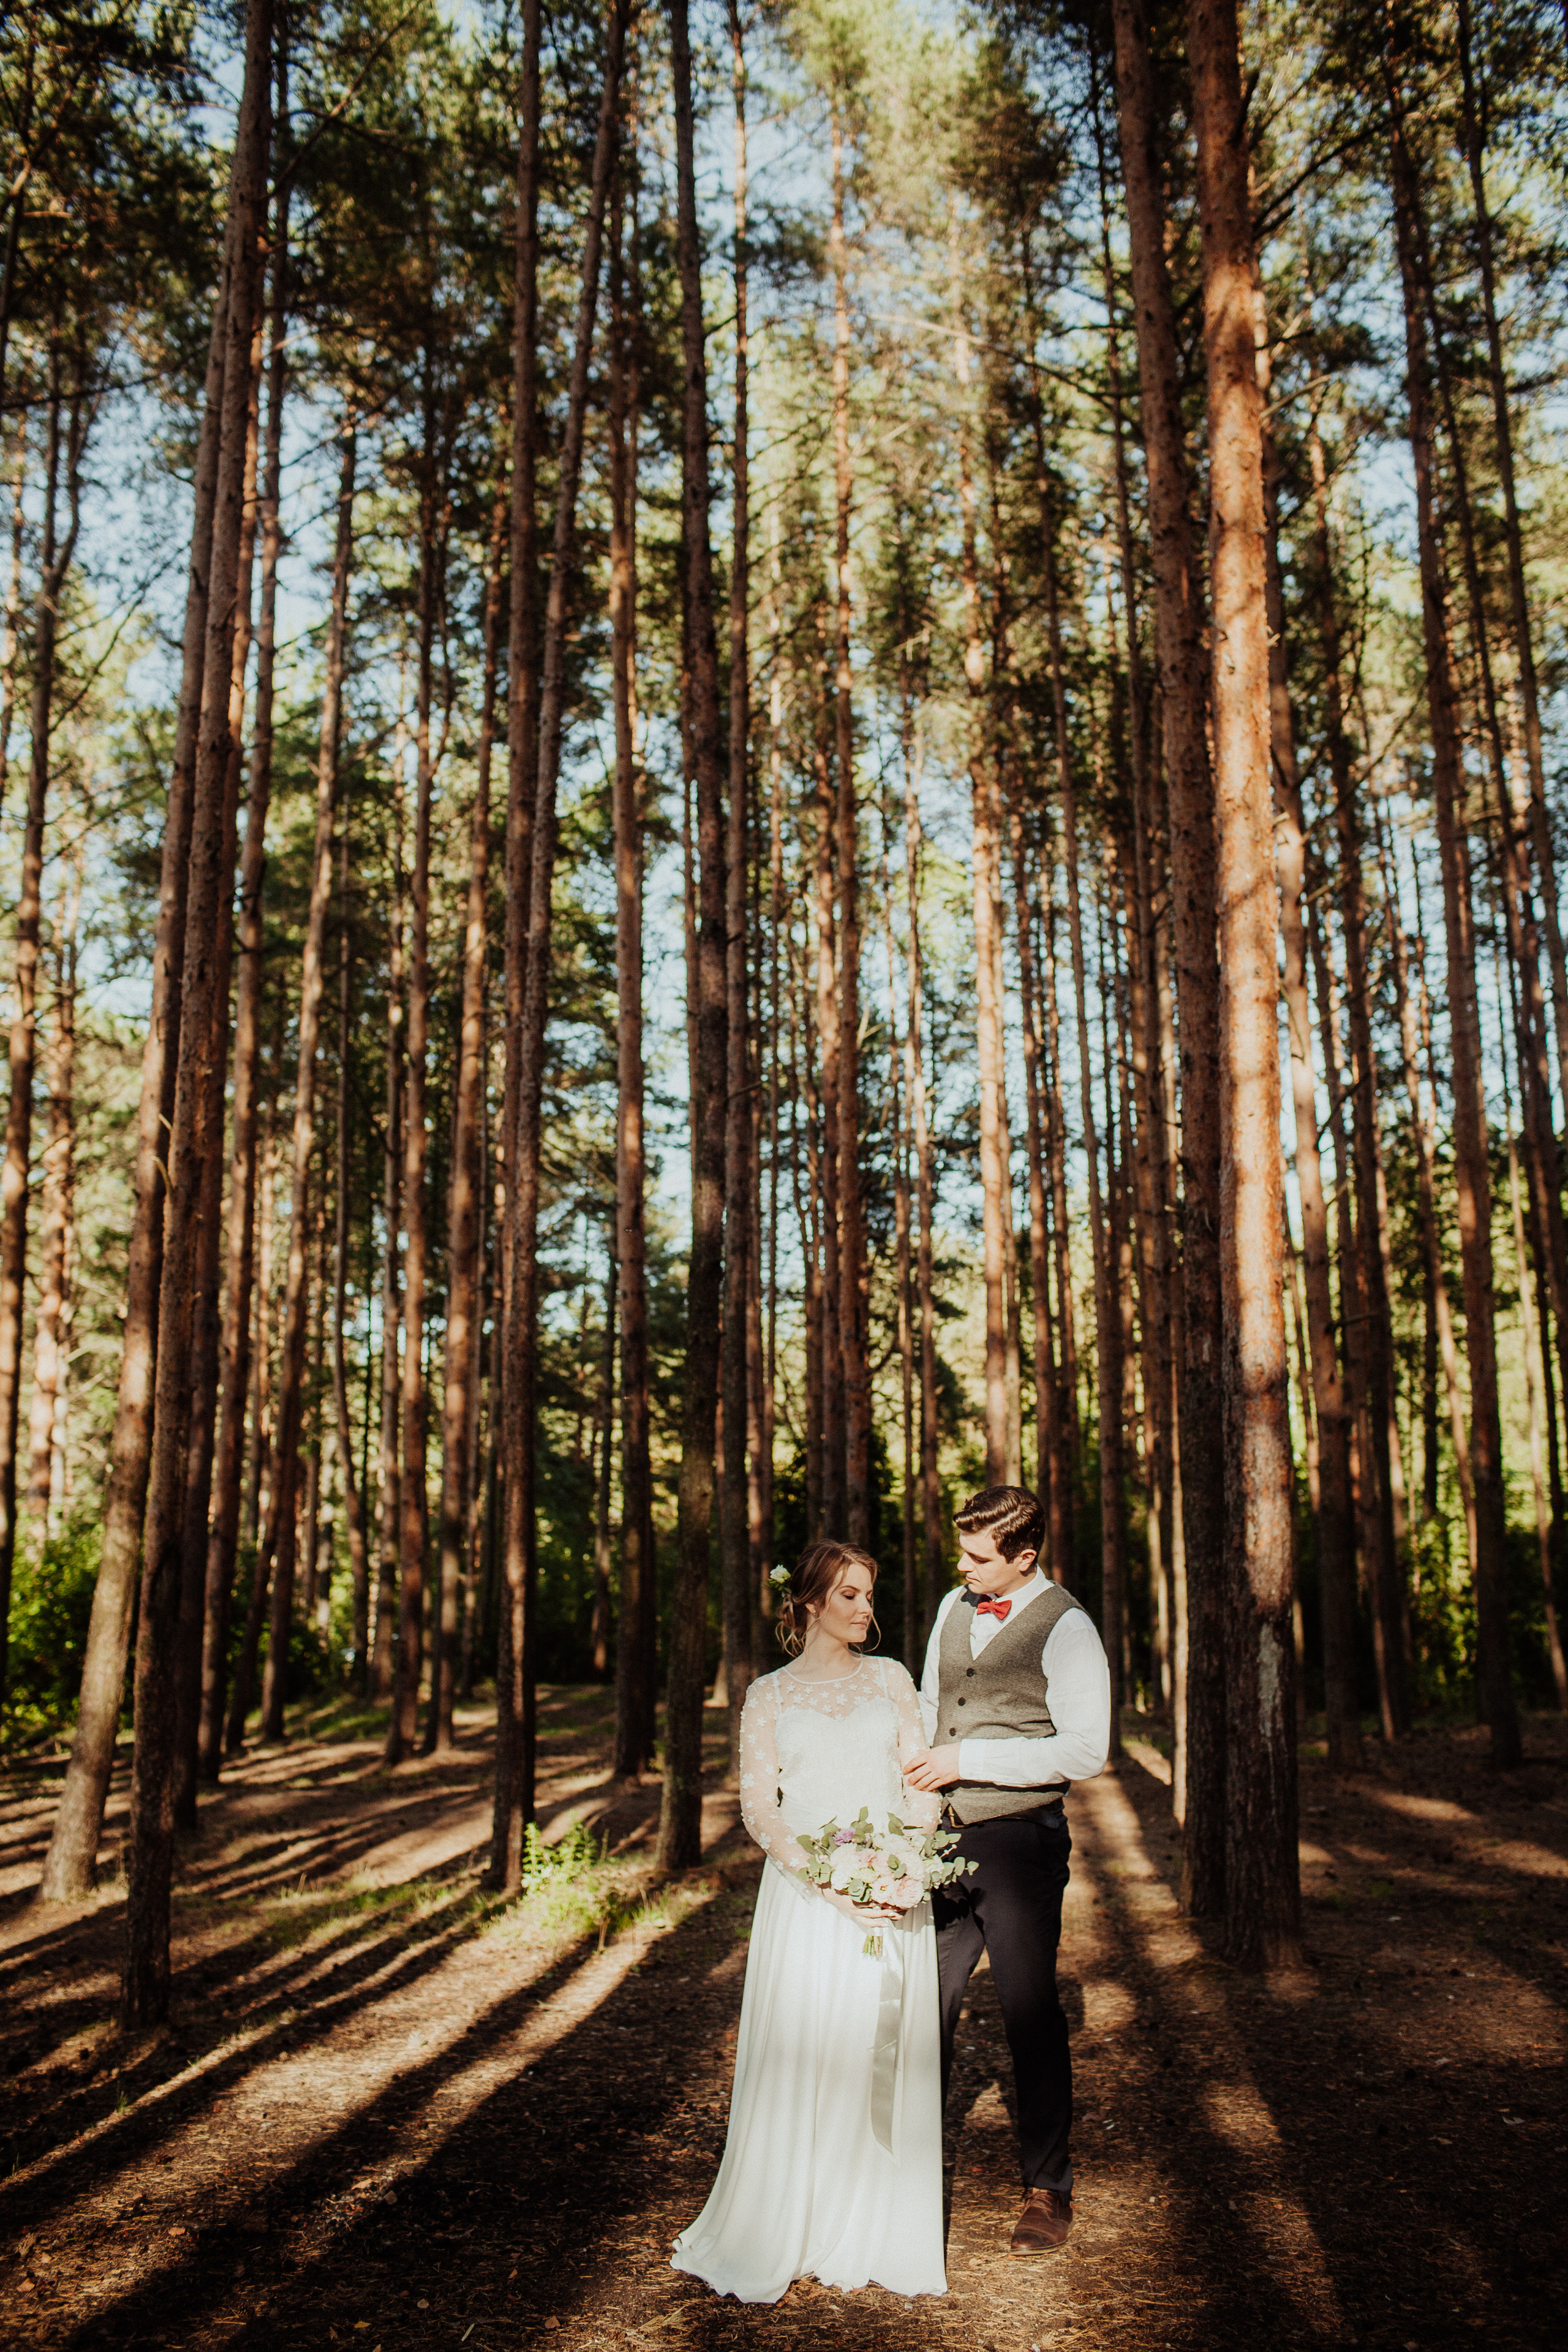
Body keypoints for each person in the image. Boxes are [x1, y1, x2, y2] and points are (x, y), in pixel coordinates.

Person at [671, 1540, 948, 2304]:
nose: (866, 1609)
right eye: (851, 1596)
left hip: (890, 1894)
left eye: (869, 1595)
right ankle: (788, 2220)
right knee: (808, 2053)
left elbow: (919, 1784)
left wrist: (906, 1864)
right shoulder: (768, 1695)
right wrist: (830, 1884)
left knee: (874, 2054)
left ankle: (873, 2227)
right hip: (806, 1901)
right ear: (812, 1604)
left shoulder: (893, 1680)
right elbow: (760, 1809)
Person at [905, 1484, 1110, 2256]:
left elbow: (1086, 1749)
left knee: (1029, 2015)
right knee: (925, 2004)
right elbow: (930, 1703)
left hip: (1021, 1842)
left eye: (978, 1557)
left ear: (1024, 1558)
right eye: (961, 1552)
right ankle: (906, 2170)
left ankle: (1046, 2188)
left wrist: (969, 1760)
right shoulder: (952, 1607)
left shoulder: (1069, 1628)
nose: (962, 1568)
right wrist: (915, 1795)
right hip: (939, 1838)